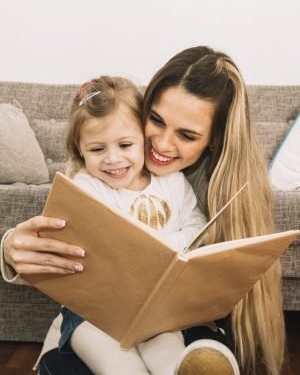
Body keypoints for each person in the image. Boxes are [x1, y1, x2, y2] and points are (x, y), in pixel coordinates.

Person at [0, 46, 284, 375]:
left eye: (187, 135)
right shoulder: (105, 167)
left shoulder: (203, 183)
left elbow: (199, 235)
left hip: (172, 317)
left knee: (175, 349)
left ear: (215, 139)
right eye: (156, 120)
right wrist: (9, 247)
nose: (161, 145)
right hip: (98, 317)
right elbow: (58, 239)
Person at [57, 74, 206, 375]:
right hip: (93, 313)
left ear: (143, 139)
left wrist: (169, 245)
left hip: (155, 307)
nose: (113, 159)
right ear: (80, 149)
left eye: (125, 144)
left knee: (169, 353)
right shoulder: (85, 188)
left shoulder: (172, 183)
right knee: (121, 367)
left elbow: (198, 225)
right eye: (97, 150)